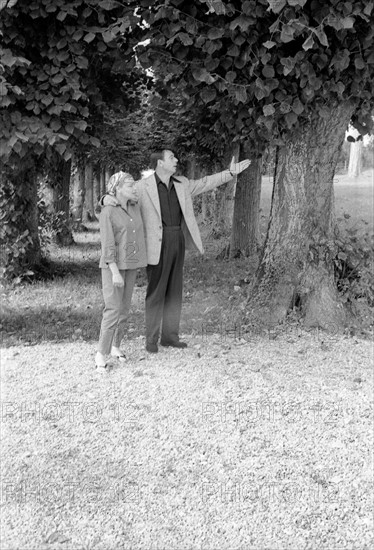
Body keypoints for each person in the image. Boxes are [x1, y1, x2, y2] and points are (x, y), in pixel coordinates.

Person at [102, 151, 251, 353]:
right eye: (172, 158)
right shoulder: (142, 186)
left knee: (174, 290)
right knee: (155, 292)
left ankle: (170, 336)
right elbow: (119, 194)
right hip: (155, 245)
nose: (176, 161)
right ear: (160, 162)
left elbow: (205, 183)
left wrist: (230, 173)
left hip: (177, 239)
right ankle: (151, 340)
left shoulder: (182, 183)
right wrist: (104, 199)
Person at [95, 172, 147, 370]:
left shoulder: (135, 206)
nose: (134, 189)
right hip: (112, 266)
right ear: (117, 189)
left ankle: (116, 346)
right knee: (113, 309)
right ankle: (101, 353)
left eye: (134, 185)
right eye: (129, 186)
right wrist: (115, 271)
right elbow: (107, 244)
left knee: (124, 309)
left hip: (131, 264)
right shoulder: (108, 211)